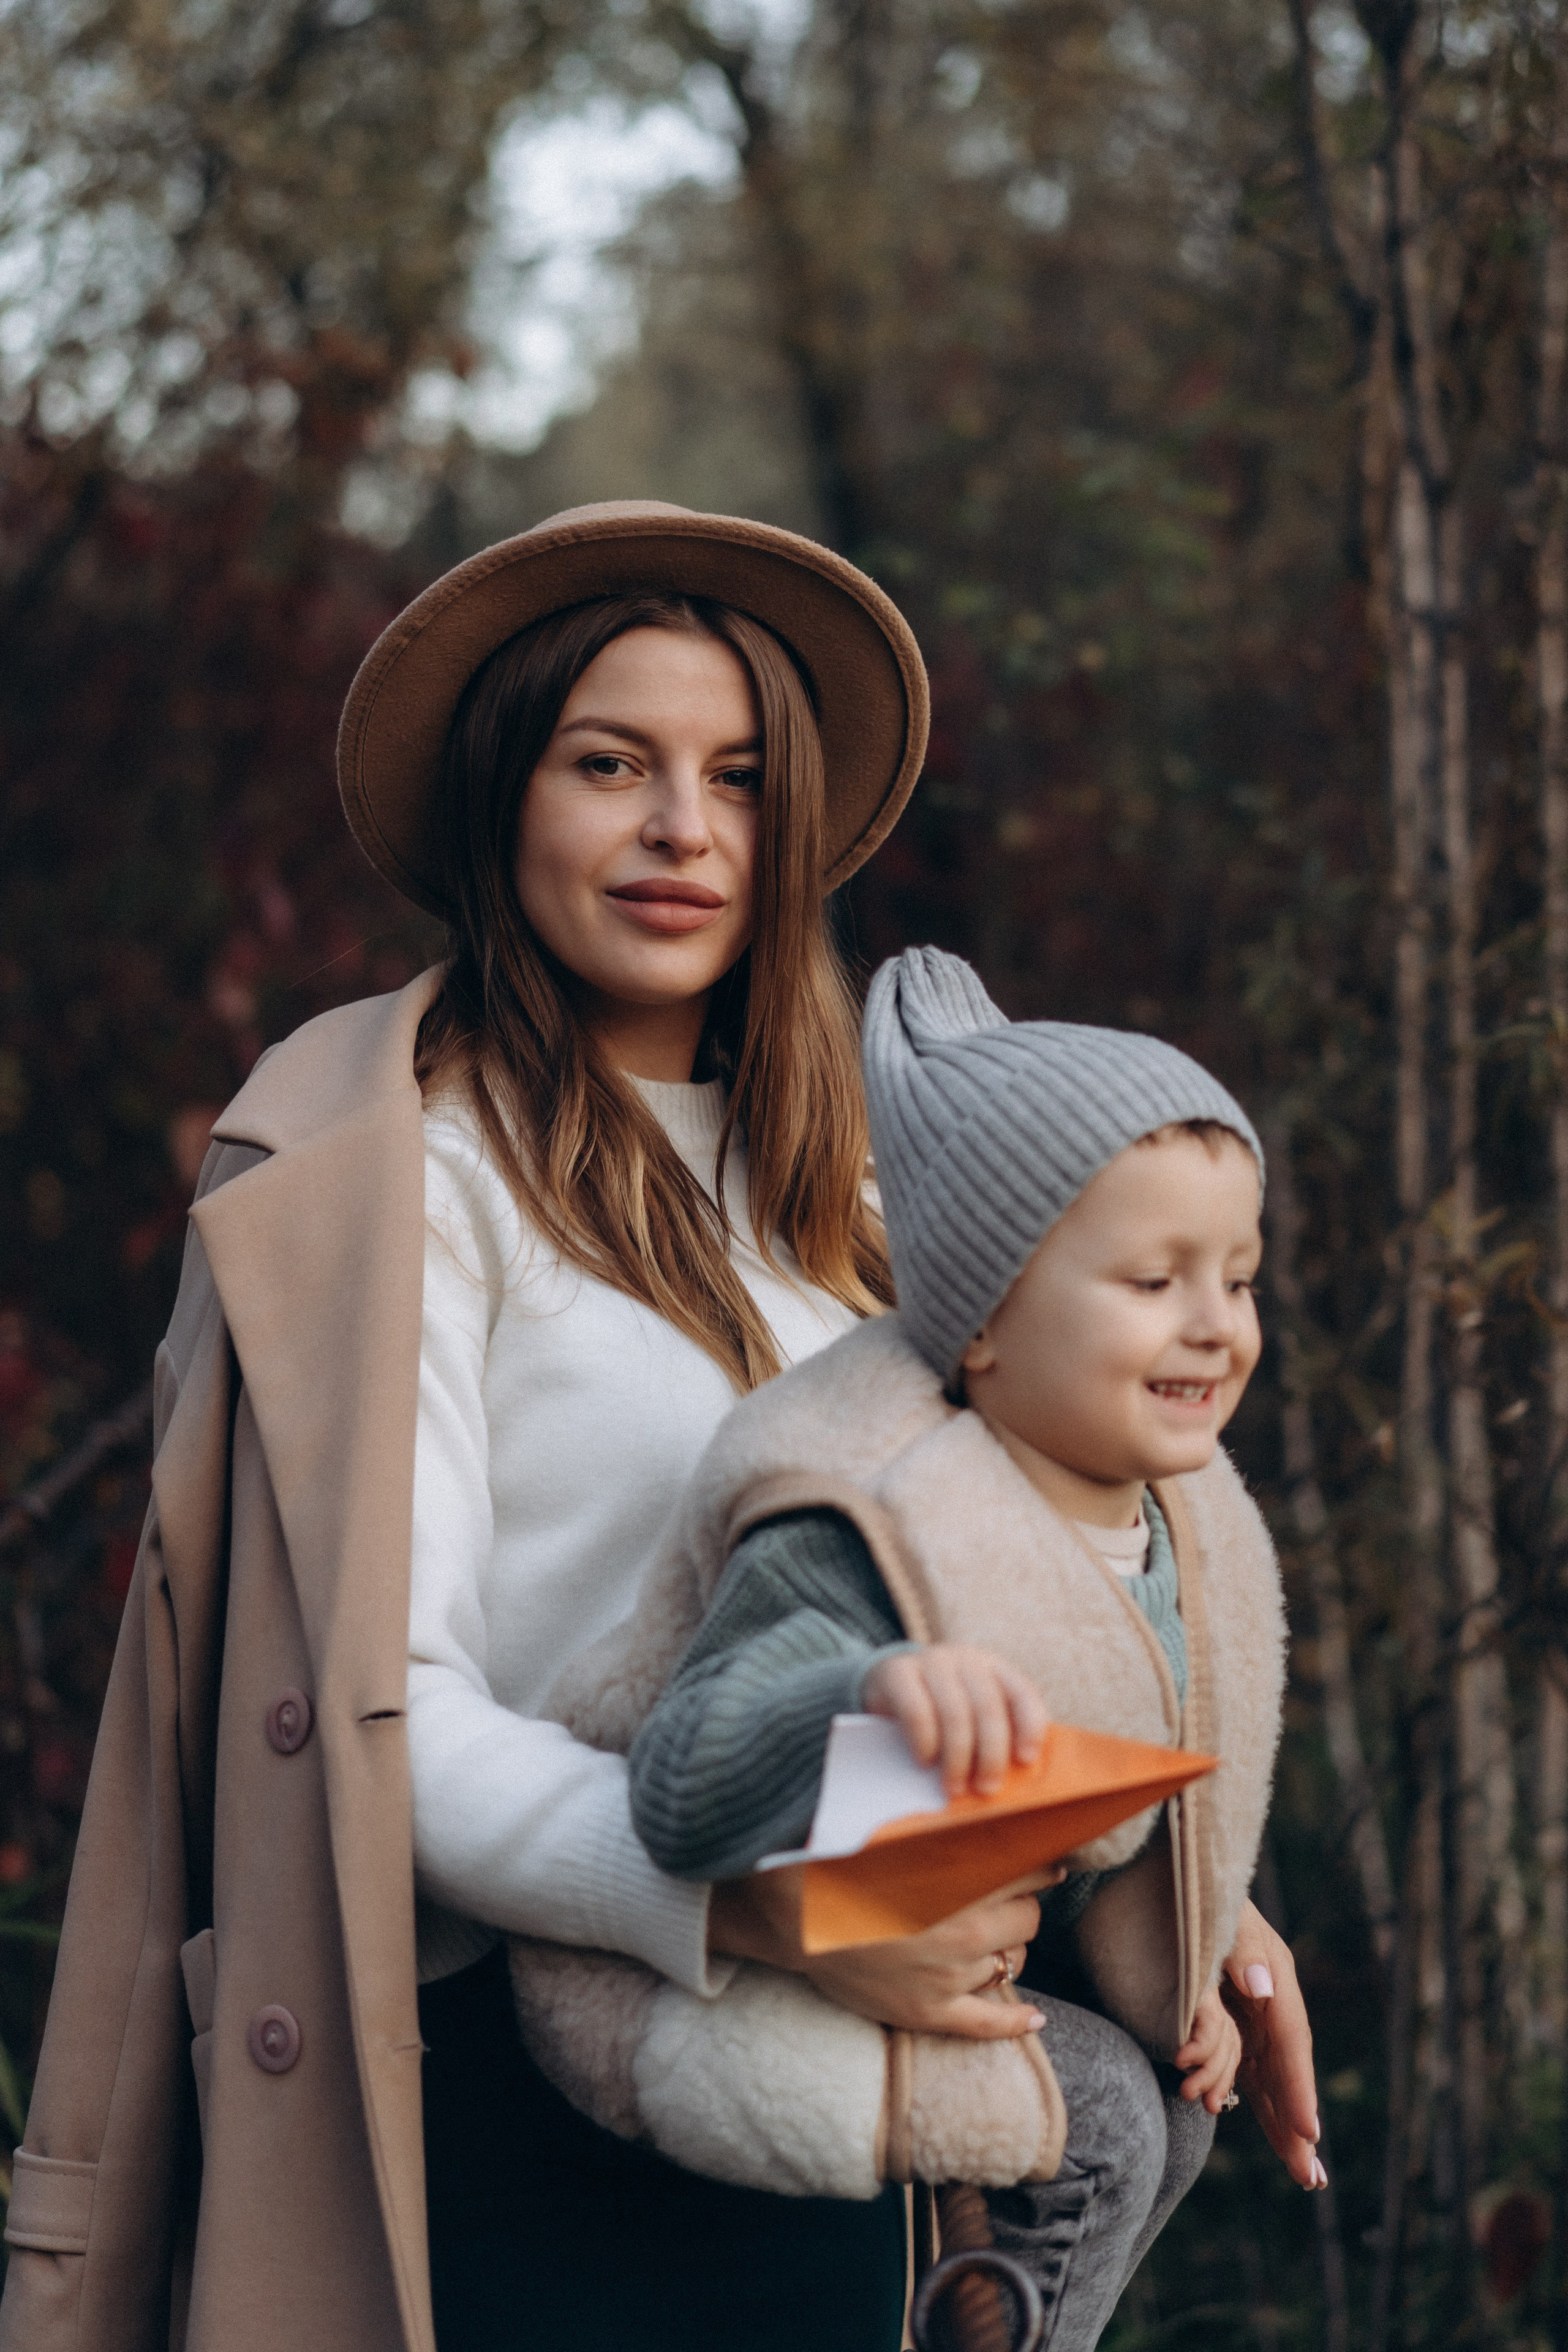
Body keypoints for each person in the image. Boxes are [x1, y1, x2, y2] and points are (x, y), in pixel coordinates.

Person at [0, 503, 1052, 2352]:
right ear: (508, 800)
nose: (681, 830)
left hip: (840, 2127)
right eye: (611, 764)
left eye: (733, 778)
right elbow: (389, 1716)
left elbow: (1006, 1604)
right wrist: (760, 1918)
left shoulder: (871, 1210)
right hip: (515, 2117)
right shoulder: (412, 1183)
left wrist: (1202, 1918)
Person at [613, 948, 1325, 2348]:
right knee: (1104, 2121)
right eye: (1151, 1279)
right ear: (986, 1319)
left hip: (930, 1920)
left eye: (1235, 1279)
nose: (1212, 1325)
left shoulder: (1142, 1515)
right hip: (699, 1963)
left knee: (1168, 2118)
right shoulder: (874, 1510)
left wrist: (1189, 1938)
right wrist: (871, 1690)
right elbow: (680, 1778)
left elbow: (1105, 1759)